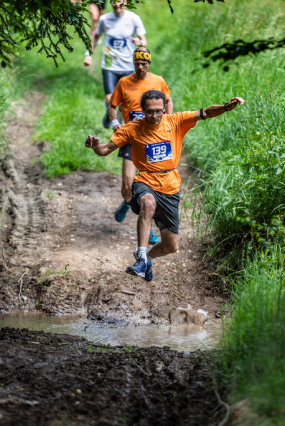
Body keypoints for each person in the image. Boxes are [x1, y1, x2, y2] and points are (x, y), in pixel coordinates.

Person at [84, 90, 245, 281]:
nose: (155, 116)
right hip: (145, 180)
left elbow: (206, 112)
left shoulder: (175, 121)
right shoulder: (131, 129)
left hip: (170, 185)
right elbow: (105, 150)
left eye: (159, 111)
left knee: (171, 246)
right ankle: (141, 257)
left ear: (164, 109)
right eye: (150, 111)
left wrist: (226, 107)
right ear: (142, 110)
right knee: (148, 203)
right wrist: (95, 146)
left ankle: (148, 259)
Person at [109, 47, 173, 244]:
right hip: (131, 137)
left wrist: (167, 122)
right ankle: (128, 202)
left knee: (152, 189)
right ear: (133, 63)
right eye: (137, 63)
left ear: (149, 64)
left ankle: (149, 229)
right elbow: (112, 106)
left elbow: (168, 101)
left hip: (153, 140)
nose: (140, 67)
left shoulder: (158, 81)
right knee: (127, 184)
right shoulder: (124, 82)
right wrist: (115, 124)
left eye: (144, 63)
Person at [83, 0, 147, 128]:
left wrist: (140, 43)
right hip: (109, 65)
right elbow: (96, 37)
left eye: (120, 2)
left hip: (128, 66)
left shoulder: (134, 18)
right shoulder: (104, 19)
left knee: (126, 101)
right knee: (110, 100)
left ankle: (118, 121)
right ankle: (112, 119)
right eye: (113, 2)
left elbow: (143, 40)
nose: (117, 5)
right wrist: (88, 54)